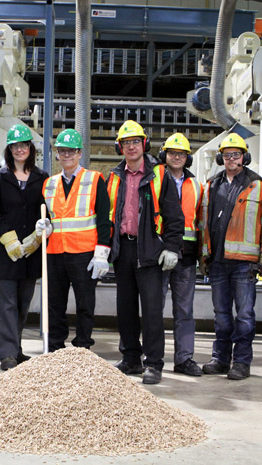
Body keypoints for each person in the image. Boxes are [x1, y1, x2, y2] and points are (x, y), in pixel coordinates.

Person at [107, 120, 184, 385]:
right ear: (120, 147)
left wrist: (172, 248)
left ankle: (154, 363)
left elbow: (175, 217)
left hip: (150, 250)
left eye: (135, 142)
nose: (131, 147)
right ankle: (131, 358)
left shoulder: (160, 174)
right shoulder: (115, 176)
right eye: (126, 143)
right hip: (123, 248)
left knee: (151, 312)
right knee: (125, 308)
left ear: (144, 144)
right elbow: (109, 217)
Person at [199, 132, 262, 380]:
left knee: (244, 315)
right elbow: (203, 224)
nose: (231, 159)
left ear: (245, 157)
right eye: (227, 155)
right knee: (221, 315)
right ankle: (220, 359)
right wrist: (204, 257)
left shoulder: (259, 186)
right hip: (218, 263)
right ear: (221, 158)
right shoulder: (211, 185)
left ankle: (241, 363)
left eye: (236, 154)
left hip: (245, 265)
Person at [41, 128, 111, 352]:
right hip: (55, 253)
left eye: (71, 151)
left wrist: (102, 255)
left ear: (80, 153)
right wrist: (44, 226)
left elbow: (103, 219)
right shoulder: (49, 184)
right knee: (55, 304)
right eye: (62, 151)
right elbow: (49, 218)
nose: (67, 155)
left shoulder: (95, 180)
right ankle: (55, 348)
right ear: (57, 154)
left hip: (84, 254)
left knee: (85, 304)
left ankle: (82, 347)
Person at [0, 123, 49, 370]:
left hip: (31, 254)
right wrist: (8, 239)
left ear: (30, 149)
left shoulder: (42, 178)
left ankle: (17, 349)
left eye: (23, 145)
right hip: (6, 254)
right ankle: (7, 354)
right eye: (15, 146)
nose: (19, 149)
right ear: (9, 150)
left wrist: (37, 236)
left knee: (23, 303)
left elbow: (47, 211)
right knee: (7, 306)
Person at [159, 133, 204, 377]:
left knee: (184, 311)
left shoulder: (197, 186)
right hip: (159, 253)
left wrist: (202, 255)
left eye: (182, 154)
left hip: (186, 256)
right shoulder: (154, 180)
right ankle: (153, 357)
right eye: (172, 153)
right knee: (154, 308)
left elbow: (201, 223)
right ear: (164, 155)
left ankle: (184, 359)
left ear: (188, 158)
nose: (177, 157)